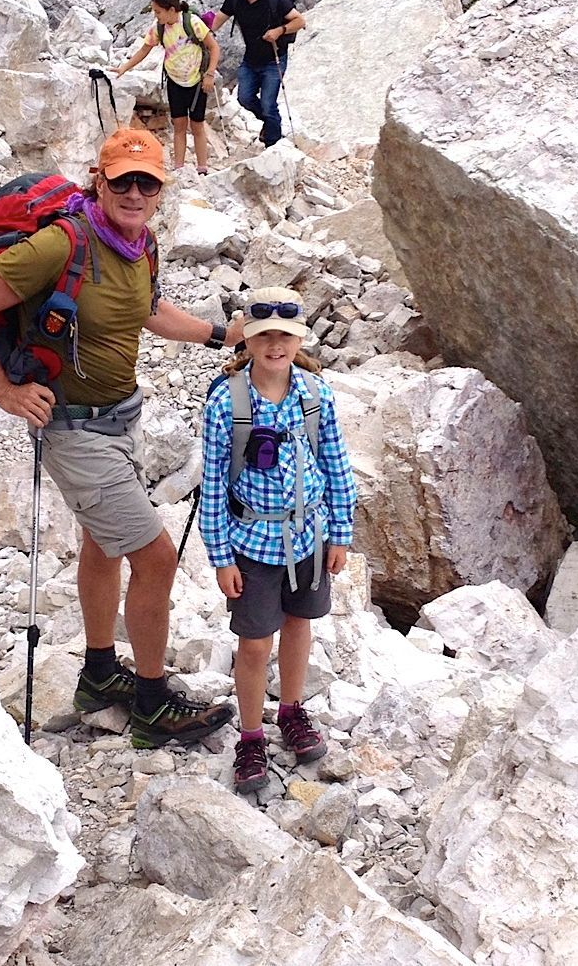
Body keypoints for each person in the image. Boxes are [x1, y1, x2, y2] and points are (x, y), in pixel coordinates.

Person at [0, 127, 244, 749]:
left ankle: (101, 674)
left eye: (149, 182)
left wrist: (220, 336)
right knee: (157, 557)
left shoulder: (139, 245)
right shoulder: (62, 244)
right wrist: (4, 393)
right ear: (99, 180)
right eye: (123, 180)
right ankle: (153, 706)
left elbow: (150, 312)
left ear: (161, 190)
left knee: (104, 546)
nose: (136, 192)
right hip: (75, 431)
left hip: (121, 420)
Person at [198, 286, 357, 794]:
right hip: (253, 542)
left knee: (299, 625)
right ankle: (250, 736)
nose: (274, 345)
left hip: (308, 536)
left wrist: (340, 533)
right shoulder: (227, 401)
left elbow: (335, 465)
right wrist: (221, 558)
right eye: (263, 335)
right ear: (246, 339)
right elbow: (215, 484)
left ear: (297, 339)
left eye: (284, 336)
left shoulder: (316, 393)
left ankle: (291, 710)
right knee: (254, 642)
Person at [109, 0, 219, 175]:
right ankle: (179, 167)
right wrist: (124, 68)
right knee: (179, 124)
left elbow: (214, 47)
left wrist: (209, 75)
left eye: (158, 12)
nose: (155, 15)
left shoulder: (192, 23)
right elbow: (145, 49)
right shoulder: (159, 28)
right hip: (175, 81)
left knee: (197, 124)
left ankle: (202, 168)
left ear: (170, 10)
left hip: (197, 81)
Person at [210, 0, 305, 147]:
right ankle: (271, 126)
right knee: (244, 98)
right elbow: (219, 18)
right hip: (251, 59)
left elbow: (299, 21)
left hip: (273, 58)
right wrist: (203, 34)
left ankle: (273, 143)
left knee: (268, 104)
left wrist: (279, 31)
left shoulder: (275, 0)